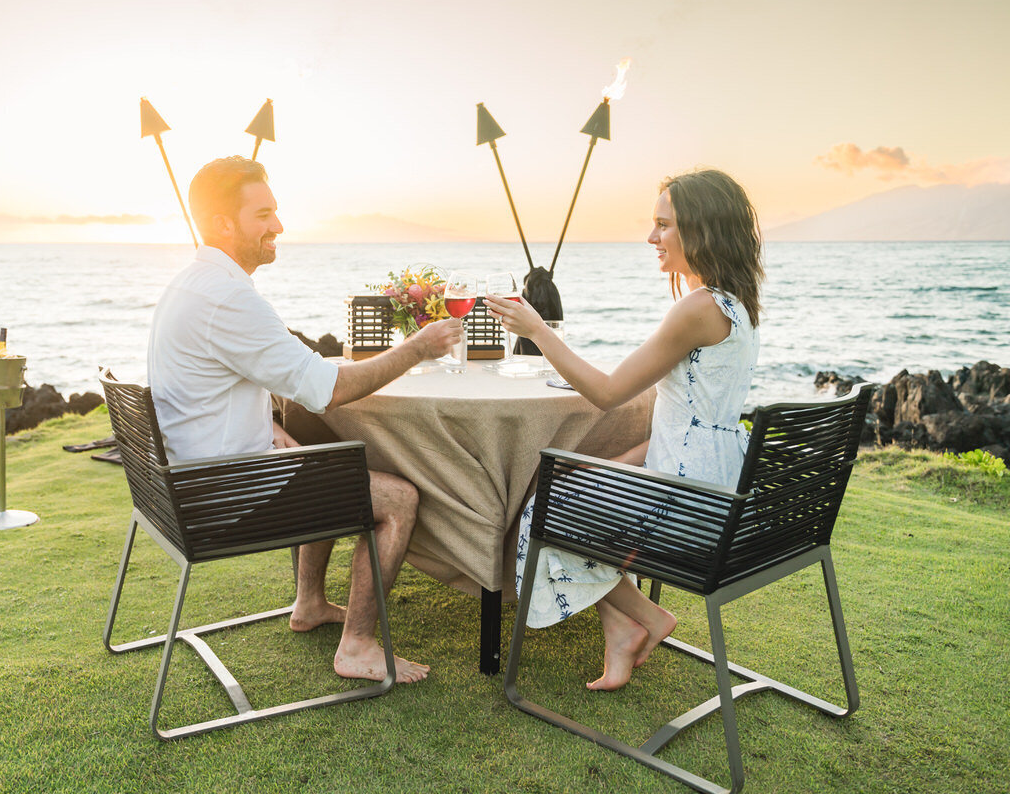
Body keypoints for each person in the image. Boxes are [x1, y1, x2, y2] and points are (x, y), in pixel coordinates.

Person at [147, 156, 461, 684]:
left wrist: (269, 431)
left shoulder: (191, 284)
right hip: (221, 497)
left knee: (318, 458)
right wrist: (417, 347)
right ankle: (357, 647)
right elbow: (329, 390)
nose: (279, 227)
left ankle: (309, 603)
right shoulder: (226, 296)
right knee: (398, 499)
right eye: (263, 214)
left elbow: (208, 390)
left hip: (188, 482)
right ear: (224, 223)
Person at [485, 168, 764, 691]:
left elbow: (609, 393)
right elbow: (691, 417)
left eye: (664, 225)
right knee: (577, 487)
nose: (651, 237)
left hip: (690, 505)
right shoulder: (735, 304)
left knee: (545, 508)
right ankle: (621, 630)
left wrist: (537, 331)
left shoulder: (696, 308)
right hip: (717, 484)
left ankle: (649, 618)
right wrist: (623, 462)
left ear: (701, 229)